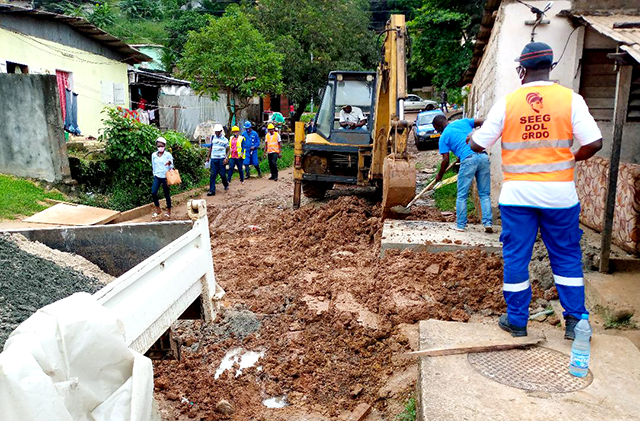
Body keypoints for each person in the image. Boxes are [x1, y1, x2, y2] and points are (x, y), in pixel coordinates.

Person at [470, 42, 603, 339]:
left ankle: (517, 320)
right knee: (567, 257)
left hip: (517, 197)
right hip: (560, 196)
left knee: (517, 257)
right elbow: (594, 142)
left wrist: (472, 139)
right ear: (550, 67)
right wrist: (571, 157)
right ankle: (576, 324)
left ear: (522, 69)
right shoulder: (571, 100)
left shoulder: (508, 102)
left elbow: (479, 144)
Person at [433, 115, 492, 233]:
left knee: (462, 195)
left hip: (468, 159)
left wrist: (440, 175)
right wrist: (478, 134)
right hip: (483, 157)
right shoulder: (463, 122)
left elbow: (445, 160)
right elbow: (484, 121)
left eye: (436, 129)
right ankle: (487, 223)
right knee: (484, 194)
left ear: (439, 126)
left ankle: (460, 225)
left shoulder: (444, 137)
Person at [151, 136, 173, 218]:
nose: (160, 147)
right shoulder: (154, 155)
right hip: (157, 176)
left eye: (161, 146)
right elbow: (153, 165)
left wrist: (169, 163)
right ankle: (158, 209)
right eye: (158, 146)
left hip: (165, 176)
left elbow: (172, 166)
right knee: (153, 192)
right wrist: (154, 174)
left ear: (164, 146)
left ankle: (169, 210)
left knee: (166, 194)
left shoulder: (168, 155)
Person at [206, 124, 229, 196]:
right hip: (214, 159)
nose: (217, 133)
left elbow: (228, 150)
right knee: (212, 175)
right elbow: (211, 148)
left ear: (221, 131)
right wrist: (208, 157)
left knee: (222, 174)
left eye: (218, 132)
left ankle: (225, 184)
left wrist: (226, 158)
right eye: (216, 132)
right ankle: (212, 190)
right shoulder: (213, 138)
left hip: (221, 159)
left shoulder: (225, 140)